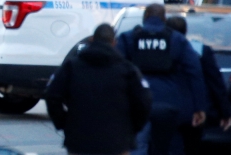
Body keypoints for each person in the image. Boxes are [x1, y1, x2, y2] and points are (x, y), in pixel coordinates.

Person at [46, 23, 152, 155]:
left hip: (79, 140)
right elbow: (144, 101)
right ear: (114, 42)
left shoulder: (72, 67)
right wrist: (132, 128)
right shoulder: (127, 70)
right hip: (117, 141)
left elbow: (52, 96)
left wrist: (63, 122)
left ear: (91, 40)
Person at [117, 4, 208, 155]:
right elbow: (195, 72)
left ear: (144, 18)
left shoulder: (128, 38)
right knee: (170, 148)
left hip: (138, 103)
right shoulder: (176, 39)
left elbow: (116, 70)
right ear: (164, 19)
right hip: (169, 104)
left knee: (138, 146)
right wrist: (199, 107)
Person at [165, 16, 231, 155]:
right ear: (186, 30)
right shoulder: (200, 50)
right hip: (193, 111)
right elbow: (215, 83)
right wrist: (225, 112)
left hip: (166, 108)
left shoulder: (158, 51)